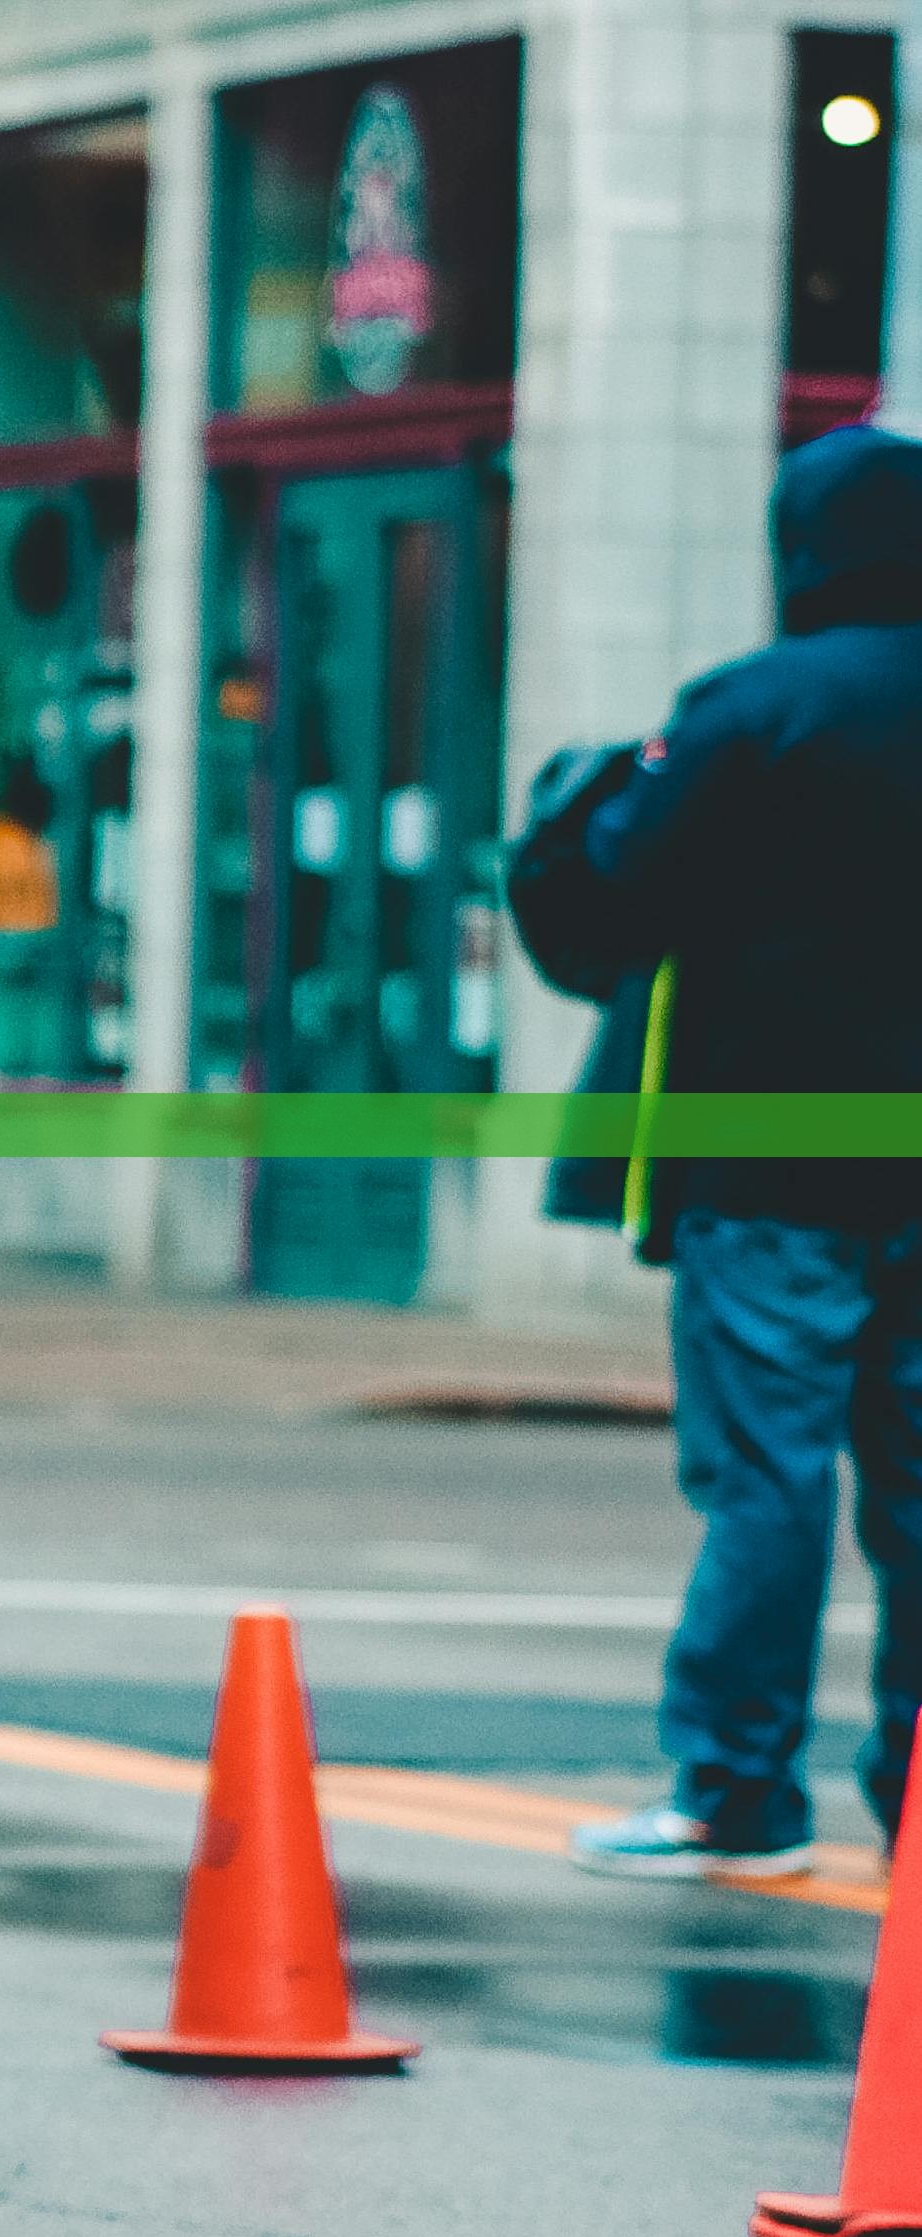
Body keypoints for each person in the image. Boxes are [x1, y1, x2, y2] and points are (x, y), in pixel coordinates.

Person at [508, 422, 922, 1878]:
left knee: (769, 1477)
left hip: (773, 1168)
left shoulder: (754, 708)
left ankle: (737, 1794)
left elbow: (608, 905)